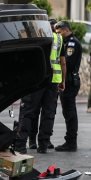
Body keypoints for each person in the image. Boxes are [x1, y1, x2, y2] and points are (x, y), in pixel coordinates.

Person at [15, 19, 65, 154]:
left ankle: (20, 144)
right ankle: (43, 144)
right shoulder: (59, 39)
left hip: (36, 79)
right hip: (53, 80)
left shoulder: (35, 37)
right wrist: (63, 80)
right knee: (48, 112)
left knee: (28, 111)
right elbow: (63, 62)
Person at [54, 20, 82, 152]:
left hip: (69, 82)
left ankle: (71, 142)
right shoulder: (66, 43)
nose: (57, 34)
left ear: (66, 30)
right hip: (69, 81)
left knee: (69, 113)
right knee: (69, 112)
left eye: (59, 32)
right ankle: (70, 140)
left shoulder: (72, 44)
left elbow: (68, 64)